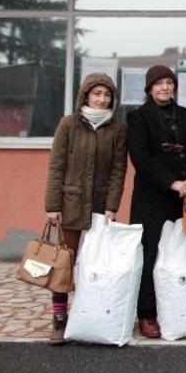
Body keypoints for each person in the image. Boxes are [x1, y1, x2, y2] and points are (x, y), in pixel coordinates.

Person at [43, 73, 127, 344]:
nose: (102, 99)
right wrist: (52, 205)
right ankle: (59, 318)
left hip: (101, 207)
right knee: (63, 264)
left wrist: (112, 206)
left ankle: (89, 314)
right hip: (71, 204)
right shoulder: (69, 124)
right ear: (86, 96)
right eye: (97, 94)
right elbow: (56, 166)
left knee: (95, 265)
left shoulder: (117, 129)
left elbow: (118, 170)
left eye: (107, 95)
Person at [127, 65, 186, 339]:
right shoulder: (138, 118)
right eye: (159, 83)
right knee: (150, 254)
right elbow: (141, 158)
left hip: (184, 197)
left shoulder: (185, 115)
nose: (165, 87)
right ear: (150, 89)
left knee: (185, 252)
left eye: (169, 83)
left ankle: (181, 307)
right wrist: (172, 182)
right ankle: (147, 313)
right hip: (152, 198)